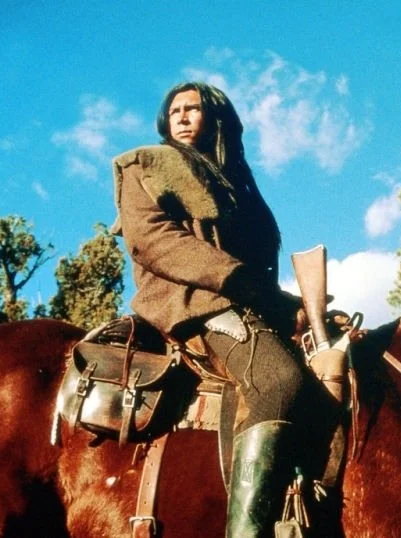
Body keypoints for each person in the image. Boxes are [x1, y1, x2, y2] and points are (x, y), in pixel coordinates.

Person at [112, 82, 312, 537]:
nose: (182, 117)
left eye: (193, 109)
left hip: (242, 300)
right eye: (175, 111)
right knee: (278, 380)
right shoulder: (144, 164)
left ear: (217, 119)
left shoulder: (240, 189)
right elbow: (153, 240)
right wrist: (234, 280)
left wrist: (294, 307)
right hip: (191, 303)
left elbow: (256, 276)